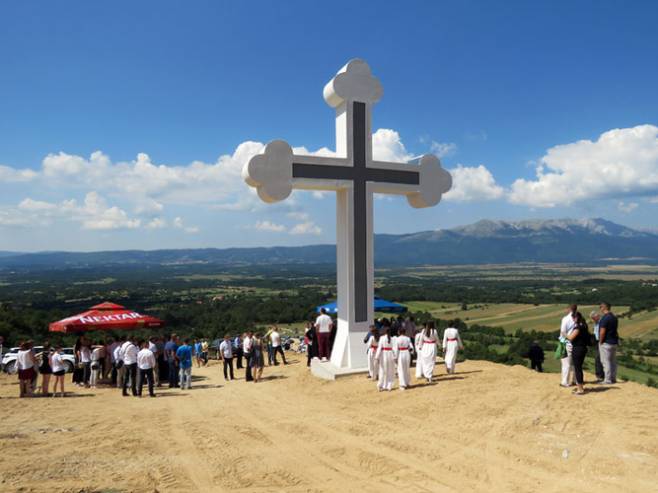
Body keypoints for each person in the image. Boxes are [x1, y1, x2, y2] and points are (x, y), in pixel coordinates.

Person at [567, 311, 590, 395]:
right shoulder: (584, 326)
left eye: (573, 318)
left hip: (577, 349)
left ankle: (580, 389)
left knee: (577, 369)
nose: (572, 320)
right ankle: (580, 386)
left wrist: (565, 334)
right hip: (583, 348)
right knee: (578, 368)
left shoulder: (578, 327)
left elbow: (571, 338)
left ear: (576, 318)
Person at [598, 302, 619, 385]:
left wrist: (600, 341)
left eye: (600, 307)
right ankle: (613, 378)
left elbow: (602, 332)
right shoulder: (614, 317)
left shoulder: (604, 318)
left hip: (606, 342)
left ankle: (607, 380)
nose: (600, 309)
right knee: (613, 361)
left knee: (605, 361)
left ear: (604, 307)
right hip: (614, 341)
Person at [559, 304, 577, 387]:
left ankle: (565, 381)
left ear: (569, 309)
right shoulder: (578, 318)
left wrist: (563, 341)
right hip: (576, 344)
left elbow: (563, 332)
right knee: (575, 363)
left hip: (567, 343)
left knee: (566, 363)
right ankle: (575, 380)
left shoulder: (565, 319)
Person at [375, 327, 395, 391]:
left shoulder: (382, 338)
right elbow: (394, 348)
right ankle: (389, 386)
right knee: (390, 370)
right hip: (390, 354)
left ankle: (381, 385)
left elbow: (379, 348)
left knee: (382, 370)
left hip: (384, 355)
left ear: (384, 332)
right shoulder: (392, 338)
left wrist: (376, 357)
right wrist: (395, 357)